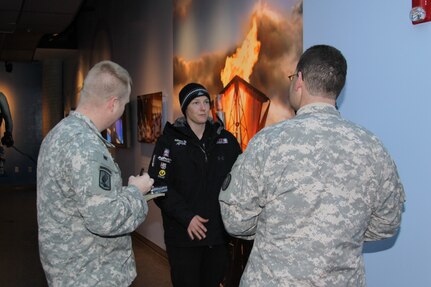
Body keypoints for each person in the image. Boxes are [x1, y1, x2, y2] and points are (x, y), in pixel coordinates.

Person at [219, 45, 405, 286]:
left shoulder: (268, 142)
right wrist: (339, 235)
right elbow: (387, 223)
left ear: (299, 80)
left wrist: (273, 228)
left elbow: (235, 220)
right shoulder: (372, 147)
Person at [37, 60, 154, 286]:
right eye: (124, 105)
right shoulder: (88, 147)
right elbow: (106, 220)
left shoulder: (58, 134)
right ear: (112, 104)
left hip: (67, 271)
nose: (122, 112)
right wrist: (136, 192)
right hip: (93, 274)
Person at [148, 82, 242, 287]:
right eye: (196, 102)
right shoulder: (169, 142)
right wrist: (187, 217)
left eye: (206, 102)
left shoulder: (225, 140)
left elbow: (242, 180)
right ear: (185, 108)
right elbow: (158, 186)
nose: (202, 107)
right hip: (183, 236)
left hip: (218, 236)